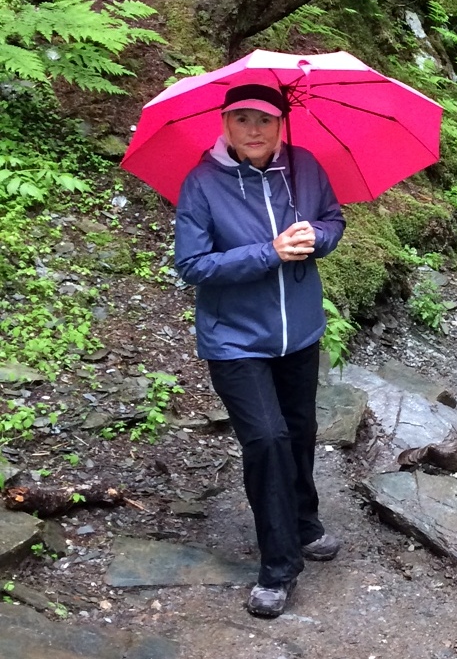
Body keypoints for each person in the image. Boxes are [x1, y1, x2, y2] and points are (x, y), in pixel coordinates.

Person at [174, 83, 347, 618]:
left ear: (281, 124)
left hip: (299, 331)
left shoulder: (305, 165)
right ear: (225, 123)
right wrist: (268, 252)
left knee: (299, 430)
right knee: (267, 438)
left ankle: (304, 522)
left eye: (265, 120)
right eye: (242, 119)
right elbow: (193, 266)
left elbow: (334, 220)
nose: (254, 130)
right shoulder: (203, 183)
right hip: (234, 339)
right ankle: (278, 566)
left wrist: (315, 237)